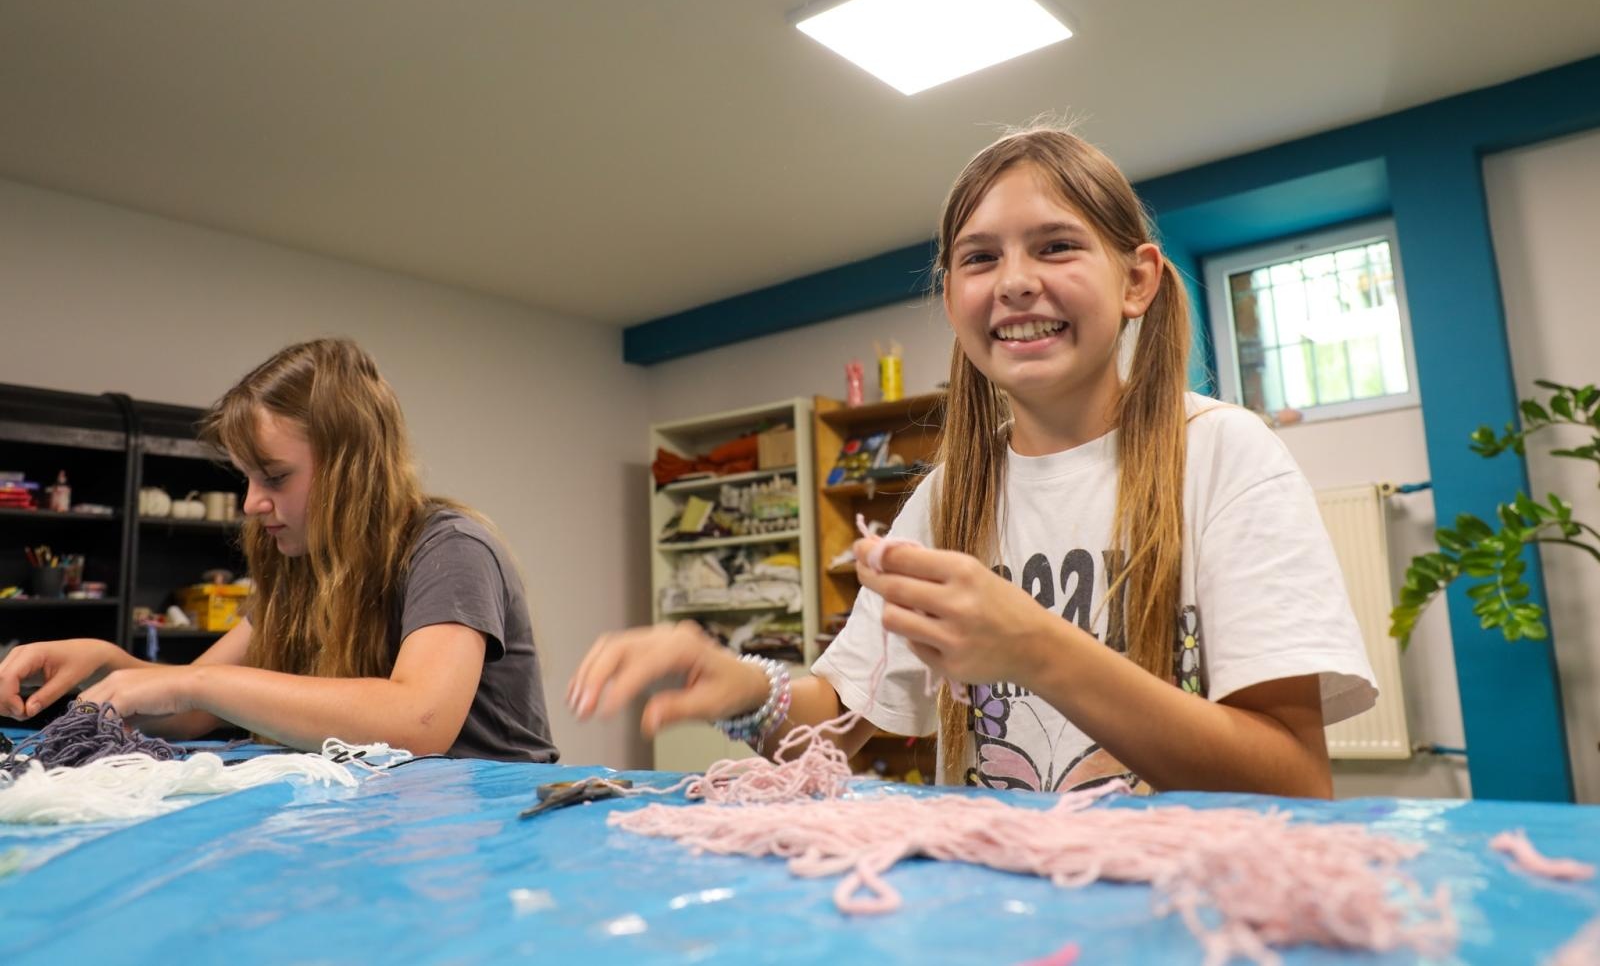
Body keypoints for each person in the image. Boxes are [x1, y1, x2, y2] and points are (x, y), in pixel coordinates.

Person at [568, 126, 1375, 797]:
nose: (1016, 283)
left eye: (1057, 246)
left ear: (1137, 281)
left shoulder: (1225, 456)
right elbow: (843, 724)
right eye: (981, 259)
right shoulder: (947, 500)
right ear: (952, 295)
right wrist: (744, 686)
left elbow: (1294, 784)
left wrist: (1036, 648)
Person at [0, 339, 558, 762]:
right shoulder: (300, 566)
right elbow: (194, 708)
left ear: (353, 469)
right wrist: (100, 664)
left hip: (489, 830)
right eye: (247, 480)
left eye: (273, 477)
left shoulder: (449, 549)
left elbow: (420, 720)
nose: (251, 504)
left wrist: (194, 682)